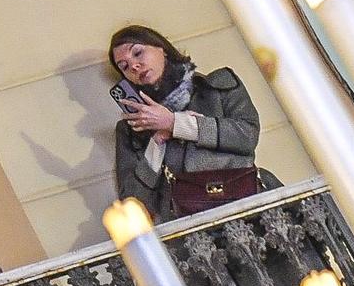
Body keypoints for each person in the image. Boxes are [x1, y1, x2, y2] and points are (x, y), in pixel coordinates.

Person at [108, 24, 276, 223]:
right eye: (124, 67)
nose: (134, 66)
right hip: (191, 228)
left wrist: (176, 123)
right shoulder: (132, 129)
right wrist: (157, 141)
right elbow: (133, 203)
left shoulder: (217, 85)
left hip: (250, 207)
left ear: (161, 48)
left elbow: (247, 135)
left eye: (138, 53)